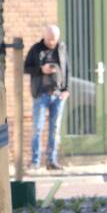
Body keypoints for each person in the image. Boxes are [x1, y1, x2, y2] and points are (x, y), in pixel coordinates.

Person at [24, 23, 70, 171]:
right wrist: (41, 69)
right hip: (41, 95)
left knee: (55, 129)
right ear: (44, 36)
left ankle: (52, 161)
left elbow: (67, 69)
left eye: (54, 39)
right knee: (38, 128)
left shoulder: (61, 48)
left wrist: (67, 90)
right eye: (49, 39)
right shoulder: (36, 49)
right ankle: (35, 161)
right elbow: (25, 68)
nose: (52, 42)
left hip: (58, 95)